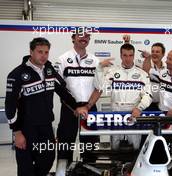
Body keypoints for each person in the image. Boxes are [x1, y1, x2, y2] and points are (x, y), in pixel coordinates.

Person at [5, 37, 86, 176]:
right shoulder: (17, 74)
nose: (43, 56)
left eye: (46, 52)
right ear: (31, 52)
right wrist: (17, 132)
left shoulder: (49, 70)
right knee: (25, 167)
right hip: (26, 128)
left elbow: (63, 91)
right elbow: (10, 104)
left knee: (48, 160)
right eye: (40, 52)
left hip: (46, 127)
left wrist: (76, 106)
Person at [54, 27, 112, 174]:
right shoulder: (62, 59)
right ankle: (64, 172)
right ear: (73, 38)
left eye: (87, 36)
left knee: (91, 147)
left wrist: (88, 106)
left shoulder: (95, 61)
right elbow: (58, 87)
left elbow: (99, 88)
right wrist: (75, 107)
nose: (84, 38)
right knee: (65, 146)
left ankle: (90, 172)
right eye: (81, 35)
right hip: (69, 109)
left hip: (90, 108)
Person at [86, 43, 152, 150]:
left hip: (134, 112)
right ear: (121, 56)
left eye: (130, 55)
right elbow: (100, 87)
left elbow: (148, 95)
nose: (128, 58)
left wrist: (140, 108)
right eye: (125, 55)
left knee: (135, 147)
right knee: (115, 146)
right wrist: (99, 68)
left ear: (134, 56)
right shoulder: (112, 72)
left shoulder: (142, 74)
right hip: (116, 111)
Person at [123, 34, 166, 111]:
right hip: (144, 104)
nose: (154, 53)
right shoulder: (142, 63)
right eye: (153, 51)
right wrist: (127, 43)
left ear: (163, 54)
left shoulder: (167, 68)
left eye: (157, 52)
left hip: (161, 105)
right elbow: (128, 59)